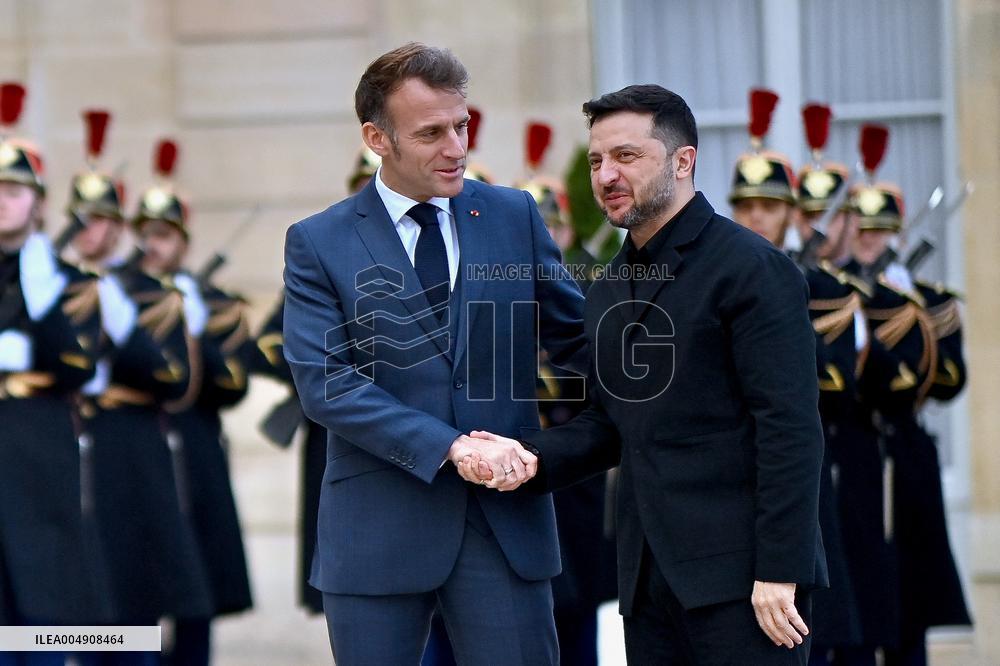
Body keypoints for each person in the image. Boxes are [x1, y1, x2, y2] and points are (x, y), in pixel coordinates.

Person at [468, 84, 828, 665]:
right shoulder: (609, 283)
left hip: (748, 587)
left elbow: (790, 430)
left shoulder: (753, 269)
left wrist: (781, 572)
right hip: (647, 586)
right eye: (596, 160)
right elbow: (616, 422)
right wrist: (529, 457)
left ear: (683, 161)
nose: (606, 174)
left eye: (626, 156)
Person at [282, 42, 587, 664]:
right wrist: (450, 446)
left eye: (461, 125)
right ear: (377, 137)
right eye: (431, 133)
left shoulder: (512, 214)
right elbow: (327, 384)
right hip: (376, 523)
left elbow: (579, 340)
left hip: (504, 523)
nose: (456, 147)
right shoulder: (318, 241)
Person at [130, 139, 254, 666]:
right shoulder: (120, 297)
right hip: (139, 451)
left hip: (197, 450)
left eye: (165, 235)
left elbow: (232, 385)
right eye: (147, 235)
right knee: (134, 587)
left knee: (198, 586)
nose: (154, 246)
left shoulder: (217, 305)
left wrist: (197, 332)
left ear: (183, 240)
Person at [0, 82, 105, 665]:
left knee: (39, 613)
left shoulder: (68, 281)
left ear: (38, 202)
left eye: (14, 190)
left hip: (37, 449)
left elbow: (81, 368)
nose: (3, 201)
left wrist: (43, 310)